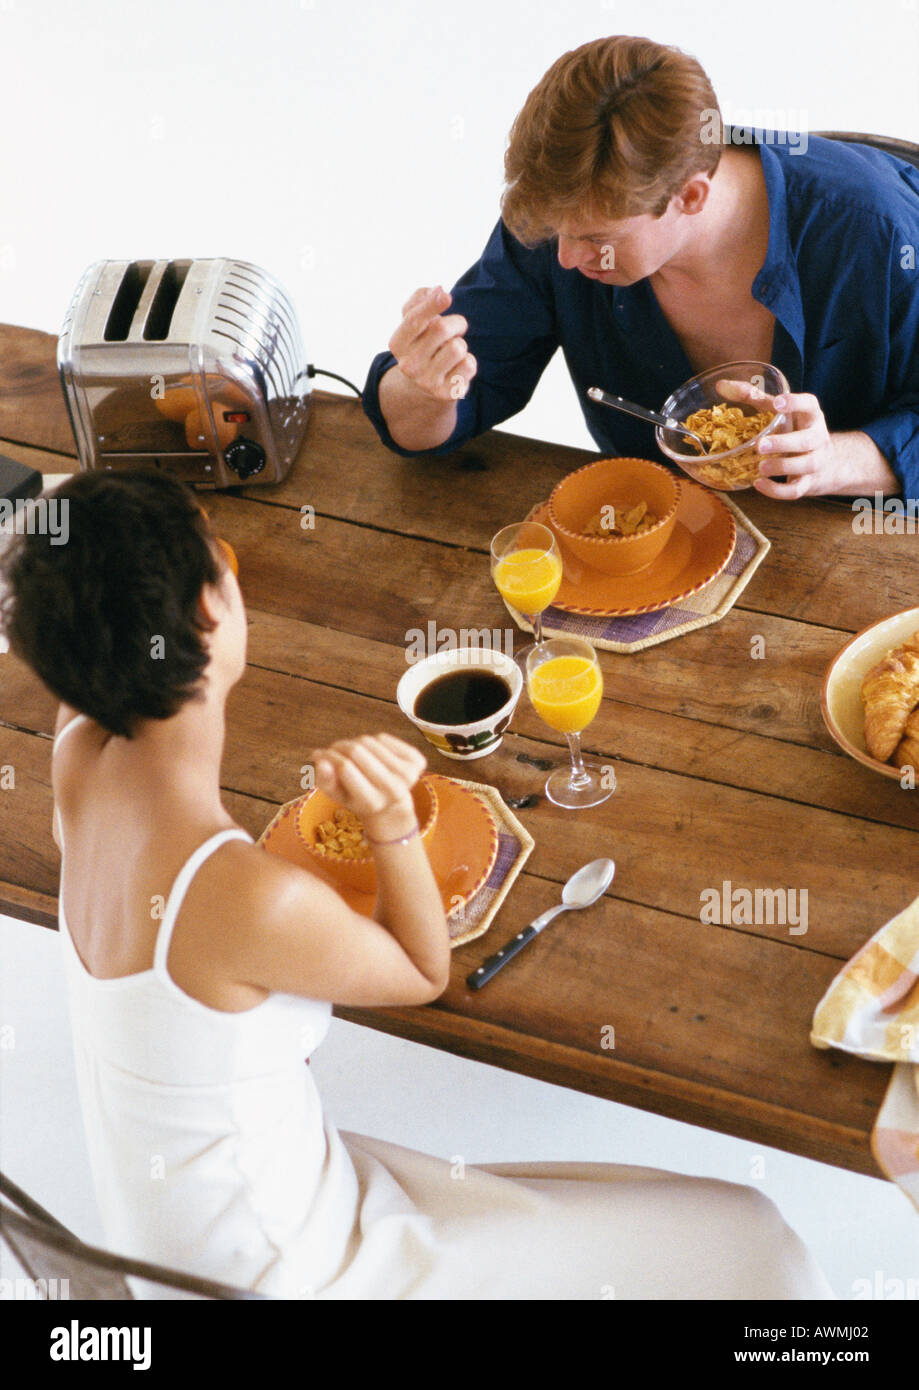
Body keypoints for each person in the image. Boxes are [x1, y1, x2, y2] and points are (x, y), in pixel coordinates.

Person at [0, 470, 833, 1299]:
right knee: (749, 1237)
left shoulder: (75, 756)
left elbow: (74, 577)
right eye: (223, 556)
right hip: (289, 1271)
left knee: (620, 1206)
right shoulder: (244, 895)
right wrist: (391, 820)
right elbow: (418, 970)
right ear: (211, 610)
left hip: (180, 1249)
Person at [363, 35, 919, 504]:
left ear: (692, 196)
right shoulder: (566, 217)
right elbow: (425, 425)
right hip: (662, 542)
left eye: (595, 239)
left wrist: (837, 461)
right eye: (558, 235)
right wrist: (423, 388)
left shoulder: (875, 230)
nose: (564, 260)